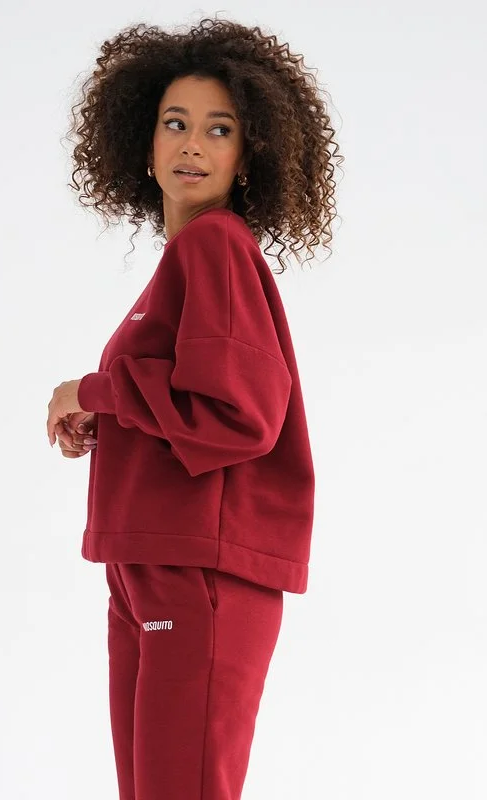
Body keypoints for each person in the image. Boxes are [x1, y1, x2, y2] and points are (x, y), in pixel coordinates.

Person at [46, 15, 343, 800]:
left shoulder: (216, 246)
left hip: (197, 571)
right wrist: (109, 416)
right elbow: (187, 395)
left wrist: (95, 390)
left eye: (219, 129)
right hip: (147, 565)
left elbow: (241, 414)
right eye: (175, 123)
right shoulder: (183, 262)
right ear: (144, 144)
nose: (192, 145)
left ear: (248, 157)